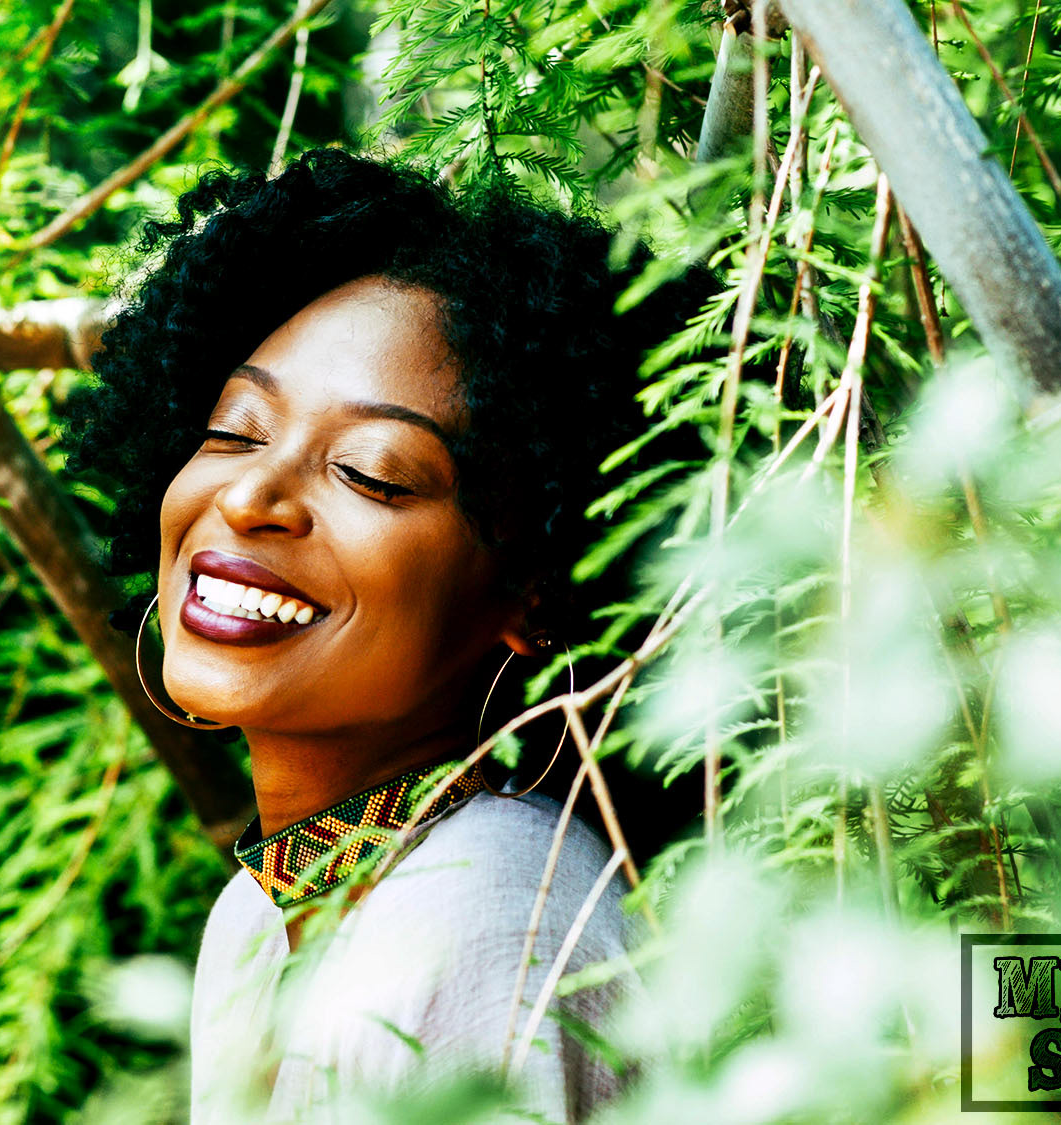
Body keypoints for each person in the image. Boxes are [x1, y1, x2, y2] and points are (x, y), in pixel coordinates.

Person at [67, 149, 698, 1124]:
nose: (249, 495)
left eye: (370, 472)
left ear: (537, 593)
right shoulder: (263, 912)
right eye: (235, 431)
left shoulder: (493, 921)